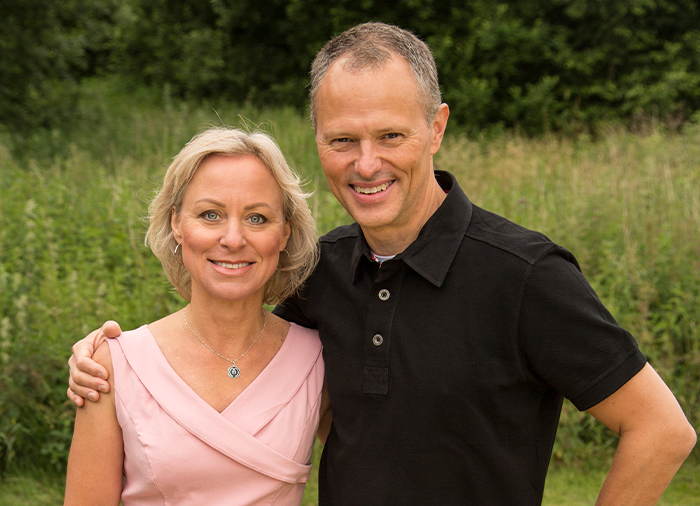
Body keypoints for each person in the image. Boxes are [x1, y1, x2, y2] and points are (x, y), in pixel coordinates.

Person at [67, 22, 696, 506]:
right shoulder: (321, 273)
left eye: (390, 136)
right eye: (343, 140)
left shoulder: (525, 275)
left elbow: (662, 430)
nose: (366, 163)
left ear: (436, 128)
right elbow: (244, 354)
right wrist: (103, 359)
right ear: (319, 140)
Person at [64, 127, 331, 505]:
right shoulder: (112, 366)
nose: (233, 239)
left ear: (284, 233)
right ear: (177, 223)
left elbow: (376, 466)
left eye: (257, 218)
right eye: (210, 214)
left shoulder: (317, 360)